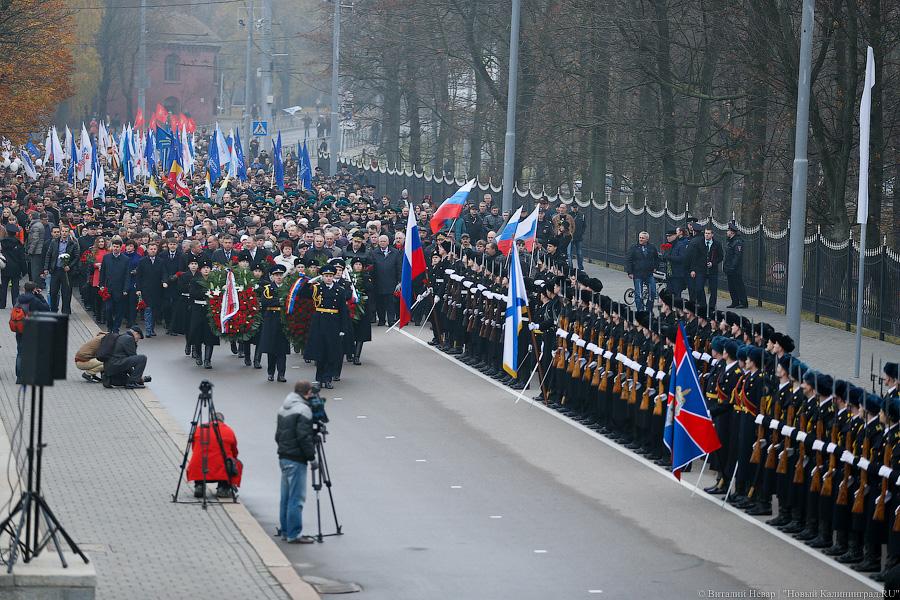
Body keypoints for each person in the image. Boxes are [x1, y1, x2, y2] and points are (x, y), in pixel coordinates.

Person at [275, 380, 318, 544]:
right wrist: (312, 458)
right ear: (307, 393)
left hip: (284, 456)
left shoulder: (283, 407)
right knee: (296, 498)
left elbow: (277, 435)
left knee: (285, 497)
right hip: (296, 459)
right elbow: (304, 438)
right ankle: (294, 534)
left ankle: (286, 531)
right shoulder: (304, 410)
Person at [302, 263, 350, 388]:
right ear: (322, 276)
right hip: (319, 321)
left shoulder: (339, 290)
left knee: (331, 352)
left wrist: (342, 328)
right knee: (320, 352)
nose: (328, 278)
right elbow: (303, 294)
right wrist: (308, 283)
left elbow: (343, 310)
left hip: (333, 322)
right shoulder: (317, 288)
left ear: (333, 276)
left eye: (330, 276)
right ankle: (319, 379)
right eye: (326, 276)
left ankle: (328, 378)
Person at [187, 411, 242, 499]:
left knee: (199, 458)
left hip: (200, 469)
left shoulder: (199, 428)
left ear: (210, 420)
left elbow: (194, 448)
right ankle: (223, 488)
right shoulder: (228, 430)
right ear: (222, 421)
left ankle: (199, 486)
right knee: (236, 463)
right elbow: (234, 452)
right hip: (220, 471)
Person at [259, 263, 291, 382]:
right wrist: (279, 301)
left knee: (282, 349)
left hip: (283, 320)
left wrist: (277, 301)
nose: (278, 277)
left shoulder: (287, 289)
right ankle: (271, 372)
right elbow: (266, 302)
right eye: (276, 275)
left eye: (280, 275)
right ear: (272, 277)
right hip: (271, 320)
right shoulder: (268, 289)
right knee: (271, 349)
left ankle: (281, 373)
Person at [188, 259, 220, 368]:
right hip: (198, 309)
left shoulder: (214, 280)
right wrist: (205, 293)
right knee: (197, 333)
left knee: (210, 334)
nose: (206, 270)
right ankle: (199, 356)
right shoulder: (195, 280)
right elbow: (193, 294)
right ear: (200, 270)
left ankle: (208, 360)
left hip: (210, 309)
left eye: (208, 268)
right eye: (204, 268)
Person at [42, 224, 79, 314]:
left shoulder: (73, 243)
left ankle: (65, 311)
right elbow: (48, 255)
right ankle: (54, 310)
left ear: (69, 232)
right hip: (55, 269)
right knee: (53, 291)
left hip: (66, 271)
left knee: (66, 292)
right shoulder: (54, 242)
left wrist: (69, 266)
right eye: (62, 231)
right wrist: (46, 268)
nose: (64, 233)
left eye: (66, 231)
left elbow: (77, 257)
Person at [688, 225, 723, 310]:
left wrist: (713, 263)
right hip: (701, 269)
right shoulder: (699, 243)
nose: (706, 235)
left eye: (708, 233)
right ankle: (703, 304)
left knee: (713, 290)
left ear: (712, 235)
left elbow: (720, 257)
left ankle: (711, 307)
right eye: (705, 233)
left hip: (712, 270)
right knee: (699, 288)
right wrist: (693, 269)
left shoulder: (717, 244)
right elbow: (694, 257)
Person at [99, 238, 131, 332]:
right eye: (114, 246)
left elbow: (127, 275)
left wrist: (126, 289)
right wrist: (101, 284)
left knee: (119, 311)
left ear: (121, 248)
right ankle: (110, 326)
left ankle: (116, 327)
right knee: (108, 309)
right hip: (108, 289)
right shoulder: (106, 257)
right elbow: (103, 273)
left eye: (117, 247)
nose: (115, 248)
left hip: (120, 289)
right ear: (111, 247)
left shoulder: (126, 259)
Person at [135, 241, 165, 337]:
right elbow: (138, 276)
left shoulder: (160, 261)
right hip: (146, 289)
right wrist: (138, 289)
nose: (153, 251)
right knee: (148, 309)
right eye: (151, 249)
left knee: (155, 310)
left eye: (154, 249)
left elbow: (164, 273)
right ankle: (148, 330)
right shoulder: (142, 261)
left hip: (157, 290)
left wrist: (164, 281)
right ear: (147, 250)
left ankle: (151, 329)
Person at [625, 231, 660, 312]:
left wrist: (655, 267)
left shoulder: (652, 247)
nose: (641, 239)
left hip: (649, 274)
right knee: (639, 294)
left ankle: (649, 309)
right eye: (640, 237)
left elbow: (656, 258)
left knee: (652, 292)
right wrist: (630, 272)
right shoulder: (634, 247)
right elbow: (628, 260)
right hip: (637, 274)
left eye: (643, 238)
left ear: (647, 239)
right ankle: (640, 310)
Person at [370, 234, 400, 326]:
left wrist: (399, 281)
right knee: (380, 303)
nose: (382, 243)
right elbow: (372, 268)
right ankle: (382, 320)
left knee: (390, 303)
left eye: (384, 241)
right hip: (378, 282)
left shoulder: (395, 252)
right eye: (381, 241)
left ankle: (391, 320)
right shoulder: (374, 253)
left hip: (391, 282)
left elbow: (398, 267)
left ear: (388, 242)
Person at [0, 224, 27, 308]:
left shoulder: (2, 242)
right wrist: (24, 270)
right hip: (16, 267)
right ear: (16, 233)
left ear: (7, 232)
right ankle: (15, 304)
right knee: (15, 286)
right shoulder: (18, 243)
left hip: (5, 266)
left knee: (3, 286)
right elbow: (22, 258)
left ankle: (2, 304)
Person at [724, 222, 748, 308]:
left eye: (728, 230)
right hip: (729, 268)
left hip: (735, 269)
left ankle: (743, 302)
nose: (727, 232)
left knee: (738, 285)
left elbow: (737, 256)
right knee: (731, 286)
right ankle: (735, 301)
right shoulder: (730, 241)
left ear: (732, 232)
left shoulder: (737, 242)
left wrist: (732, 267)